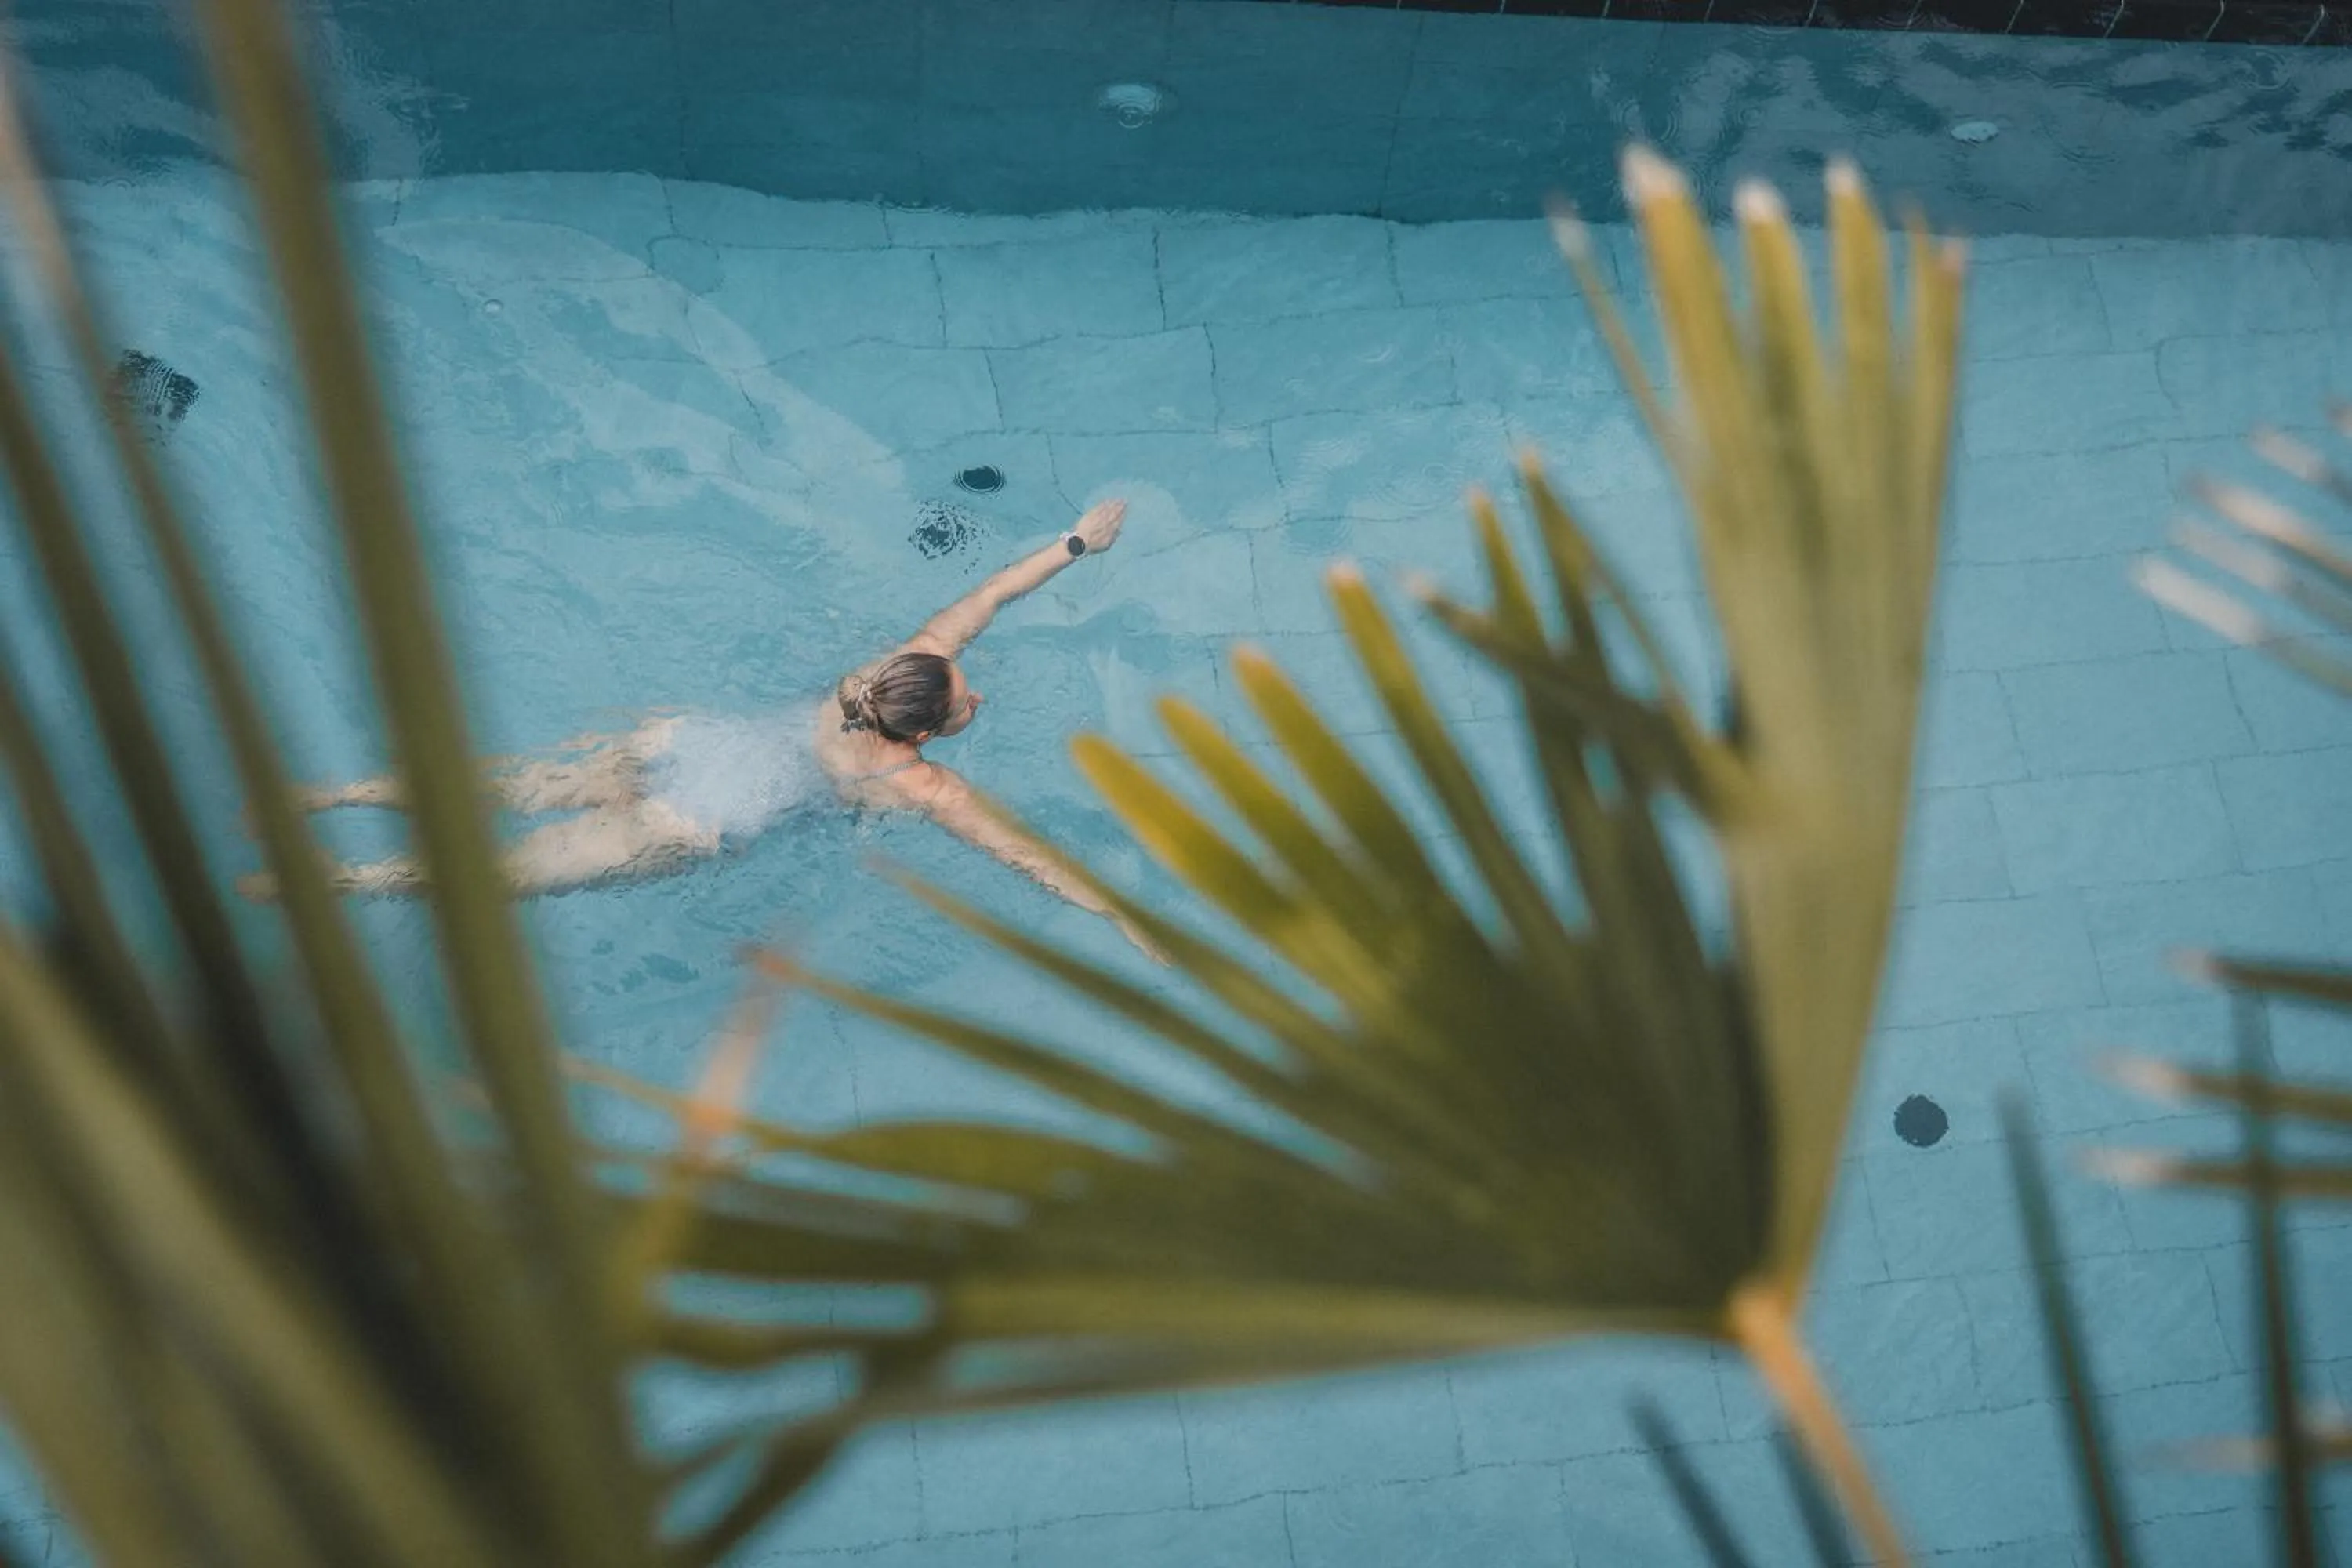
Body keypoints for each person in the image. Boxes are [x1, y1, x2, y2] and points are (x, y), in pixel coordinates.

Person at [240, 499, 1163, 959]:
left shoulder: (887, 667)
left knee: (508, 784)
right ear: (920, 733)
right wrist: (1121, 912)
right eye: (965, 704)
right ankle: (335, 882)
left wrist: (1077, 542)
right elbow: (1022, 855)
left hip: (679, 743)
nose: (977, 698)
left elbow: (989, 596)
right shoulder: (914, 783)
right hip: (685, 823)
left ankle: (332, 795)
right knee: (495, 876)